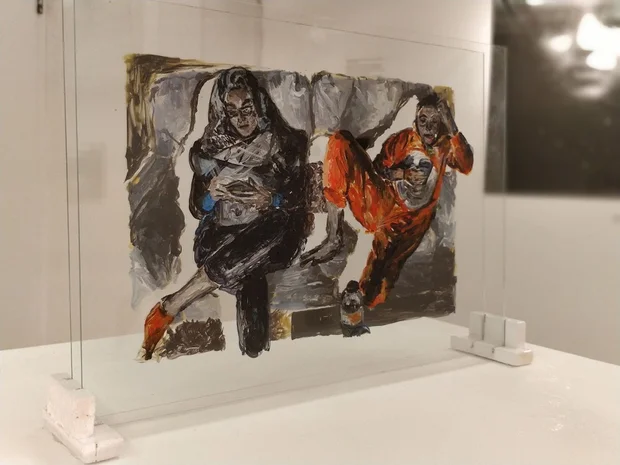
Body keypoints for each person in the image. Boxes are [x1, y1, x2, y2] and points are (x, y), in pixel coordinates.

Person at [139, 67, 310, 360]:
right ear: (222, 112)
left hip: (272, 236)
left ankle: (172, 305)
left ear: (260, 106)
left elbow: (299, 198)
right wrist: (211, 195)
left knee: (275, 226)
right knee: (250, 273)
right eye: (232, 112)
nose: (242, 119)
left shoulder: (286, 144)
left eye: (248, 109)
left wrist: (271, 199)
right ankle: (254, 354)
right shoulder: (208, 150)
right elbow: (197, 208)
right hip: (221, 237)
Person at [300, 93, 473, 330]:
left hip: (408, 222)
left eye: (435, 122)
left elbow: (466, 165)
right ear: (415, 121)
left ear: (442, 123)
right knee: (340, 141)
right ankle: (333, 235)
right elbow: (378, 169)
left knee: (375, 289)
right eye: (423, 120)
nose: (428, 128)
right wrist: (401, 173)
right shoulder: (403, 139)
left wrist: (451, 126)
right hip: (381, 202)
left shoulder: (444, 147)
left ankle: (355, 306)